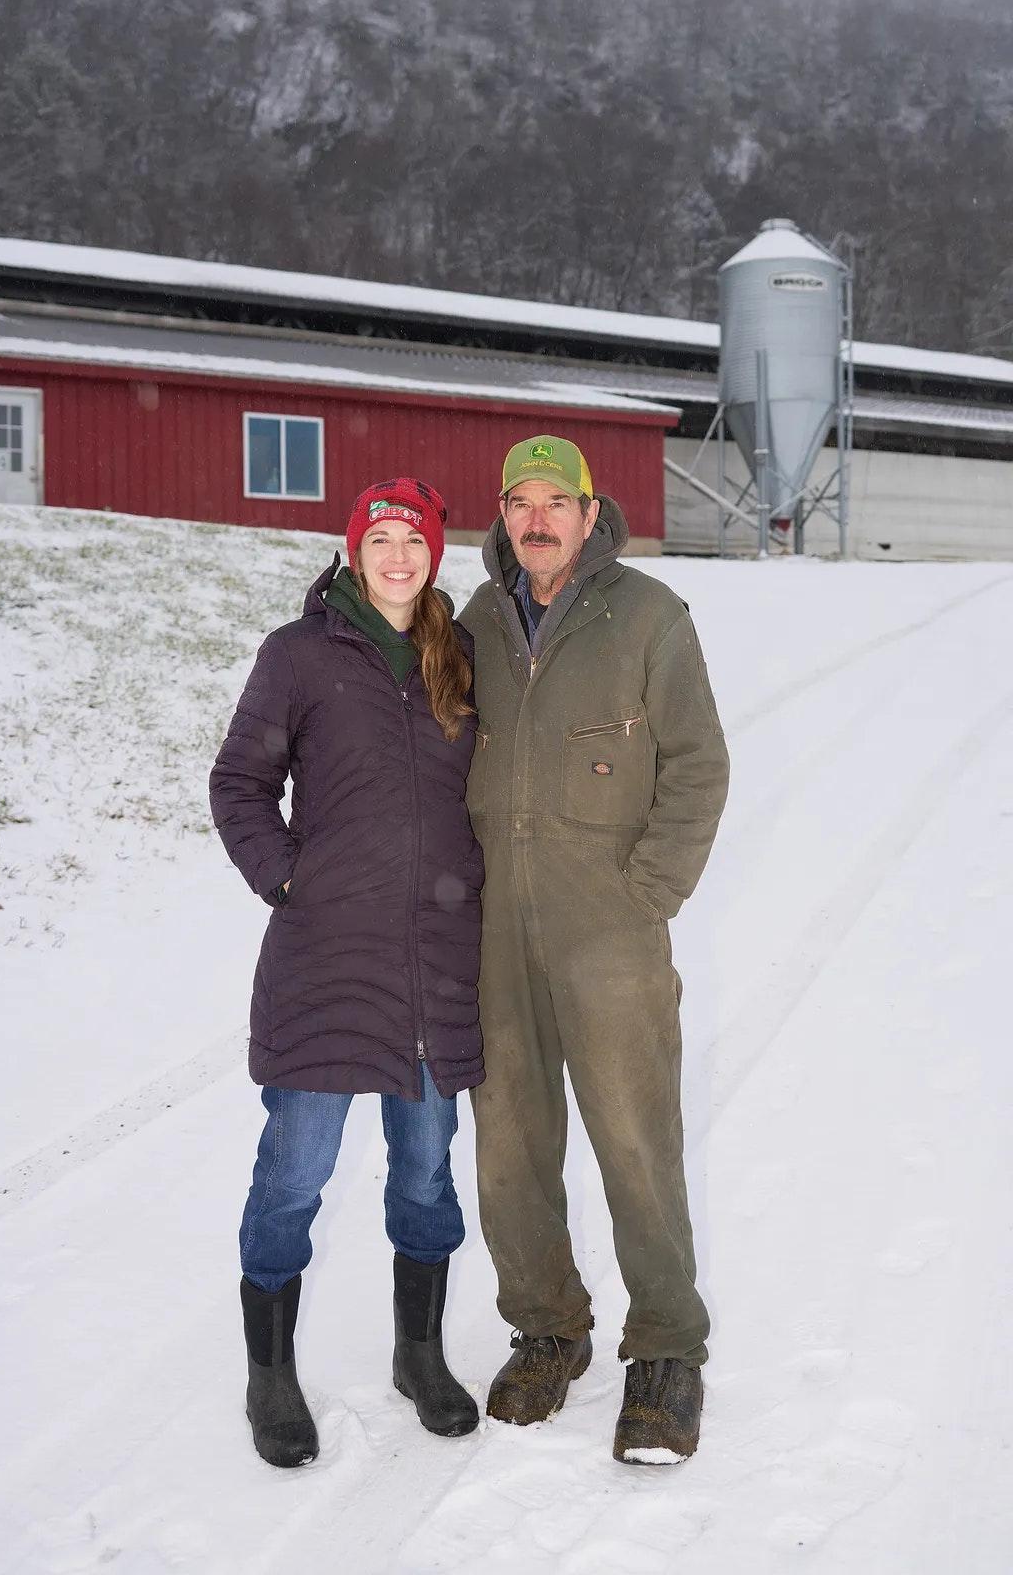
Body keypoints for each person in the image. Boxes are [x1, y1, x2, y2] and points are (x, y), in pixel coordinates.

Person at [459, 435, 730, 1465]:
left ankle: (666, 1354)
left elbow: (699, 767)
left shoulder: (651, 616)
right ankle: (545, 1328)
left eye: (553, 501)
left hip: (608, 935)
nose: (535, 519)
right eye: (518, 500)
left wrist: (645, 895)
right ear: (504, 514)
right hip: (492, 934)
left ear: (587, 511)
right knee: (508, 1149)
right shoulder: (476, 619)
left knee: (634, 1145)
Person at [209, 478, 485, 1468]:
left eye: (415, 538)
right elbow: (240, 782)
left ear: (435, 551)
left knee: (424, 1174)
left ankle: (419, 1353)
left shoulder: (460, 656)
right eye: (381, 538)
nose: (398, 555)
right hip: (325, 961)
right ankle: (270, 1373)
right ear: (353, 550)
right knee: (295, 1175)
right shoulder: (299, 655)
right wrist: (290, 878)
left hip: (436, 968)